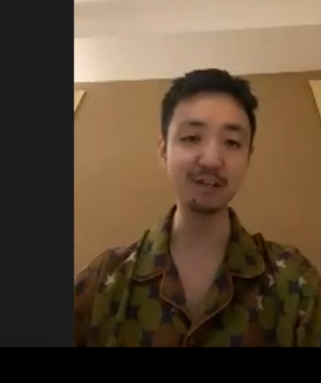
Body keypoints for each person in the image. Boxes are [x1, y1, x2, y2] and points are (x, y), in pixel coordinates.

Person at [74, 69, 321, 347]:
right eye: (192, 138)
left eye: (232, 142)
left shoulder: (295, 284)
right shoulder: (101, 283)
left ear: (248, 156)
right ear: (163, 150)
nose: (212, 160)